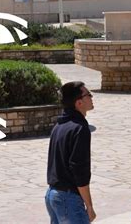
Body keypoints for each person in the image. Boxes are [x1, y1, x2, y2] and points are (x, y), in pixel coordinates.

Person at [45, 81, 96, 223]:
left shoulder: (59, 126)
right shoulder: (79, 129)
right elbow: (79, 170)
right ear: (79, 103)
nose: (91, 97)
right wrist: (89, 206)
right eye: (88, 95)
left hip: (52, 195)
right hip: (68, 199)